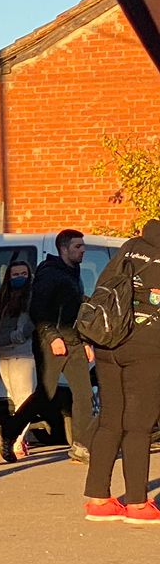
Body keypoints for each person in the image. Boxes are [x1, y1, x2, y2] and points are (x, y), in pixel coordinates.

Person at [80, 217, 160, 523]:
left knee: (110, 420)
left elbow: (104, 287)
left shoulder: (130, 247)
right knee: (139, 425)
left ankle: (98, 498)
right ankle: (138, 504)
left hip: (109, 342)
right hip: (148, 346)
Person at [29, 228, 94, 462]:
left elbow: (77, 311)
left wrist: (86, 340)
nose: (83, 250)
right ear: (64, 249)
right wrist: (52, 336)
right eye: (78, 247)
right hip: (53, 341)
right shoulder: (50, 273)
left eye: (83, 246)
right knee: (45, 394)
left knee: (84, 395)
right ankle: (10, 431)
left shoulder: (73, 272)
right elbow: (38, 309)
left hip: (75, 341)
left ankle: (81, 445)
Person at [0, 256, 50, 460]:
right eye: (15, 274)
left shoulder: (32, 295)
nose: (20, 277)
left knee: (25, 397)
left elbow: (33, 320)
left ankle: (15, 440)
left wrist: (19, 336)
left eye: (24, 274)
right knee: (15, 398)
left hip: (23, 352)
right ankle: (16, 439)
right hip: (4, 352)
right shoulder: (4, 297)